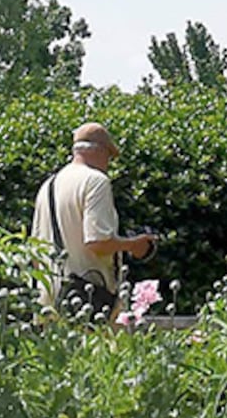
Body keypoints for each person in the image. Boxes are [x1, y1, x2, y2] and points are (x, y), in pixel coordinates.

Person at [30, 121, 159, 317]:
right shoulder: (96, 181)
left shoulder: (48, 185)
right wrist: (134, 244)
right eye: (109, 156)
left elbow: (35, 252)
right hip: (88, 300)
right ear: (100, 151)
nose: (108, 163)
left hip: (48, 299)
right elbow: (97, 242)